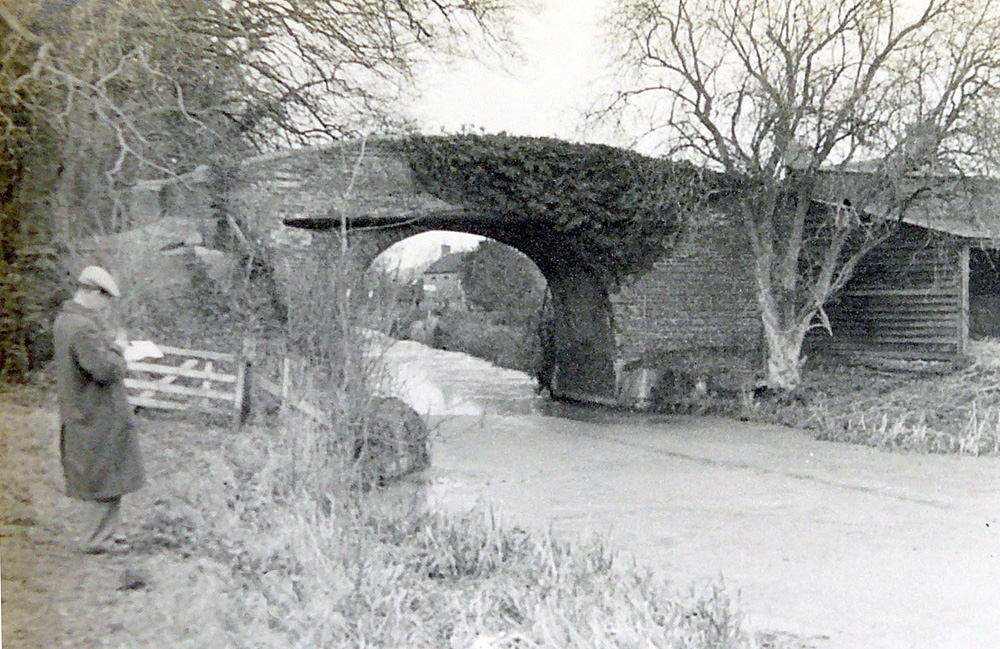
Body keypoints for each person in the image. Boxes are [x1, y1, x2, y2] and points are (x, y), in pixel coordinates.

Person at [53, 265, 145, 553]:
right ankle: (98, 540)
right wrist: (119, 349)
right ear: (91, 292)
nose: (105, 306)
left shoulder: (68, 321)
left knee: (108, 474)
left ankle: (107, 534)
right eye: (104, 297)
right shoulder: (81, 326)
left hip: (90, 409)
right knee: (103, 476)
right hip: (96, 412)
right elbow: (105, 370)